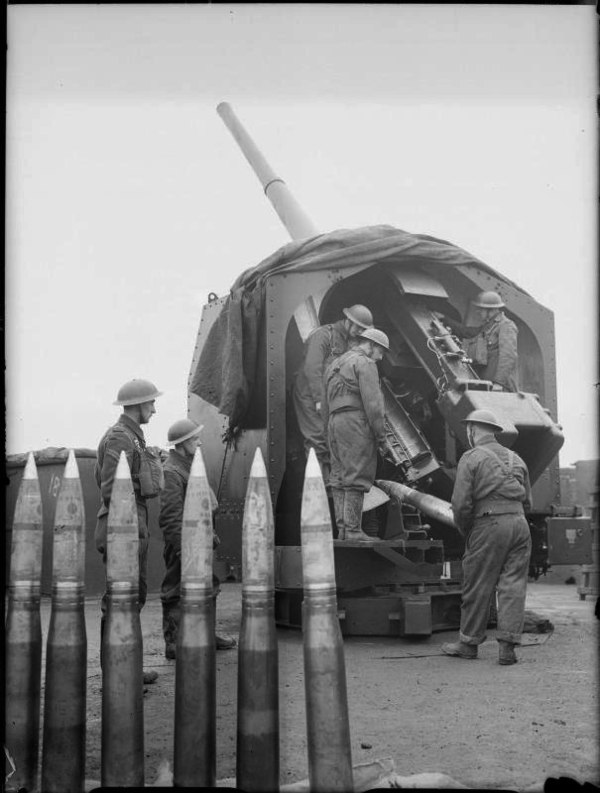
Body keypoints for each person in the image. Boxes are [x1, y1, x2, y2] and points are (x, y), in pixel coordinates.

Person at [441, 409, 532, 665]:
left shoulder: (471, 458)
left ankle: (468, 644)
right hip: (520, 524)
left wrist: (466, 529)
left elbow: (460, 505)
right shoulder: (516, 459)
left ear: (472, 430)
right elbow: (529, 500)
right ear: (494, 431)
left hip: (489, 524)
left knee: (478, 584)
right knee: (513, 586)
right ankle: (507, 648)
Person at [94, 378, 164, 683]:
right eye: (150, 402)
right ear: (137, 405)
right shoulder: (120, 438)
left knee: (134, 597)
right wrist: (127, 529)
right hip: (123, 527)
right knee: (120, 600)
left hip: (135, 523)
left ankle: (128, 668)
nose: (154, 408)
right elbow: (112, 489)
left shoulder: (135, 439)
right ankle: (117, 673)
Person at [160, 418, 236, 659]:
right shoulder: (172, 471)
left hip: (199, 543)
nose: (199, 442)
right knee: (174, 590)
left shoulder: (190, 465)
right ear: (182, 443)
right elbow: (170, 517)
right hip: (183, 545)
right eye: (194, 439)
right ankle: (173, 642)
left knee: (209, 585)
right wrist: (184, 549)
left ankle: (206, 634)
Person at [292, 304, 374, 484]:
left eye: (363, 329)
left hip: (329, 398)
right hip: (310, 395)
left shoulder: (348, 342)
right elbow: (312, 369)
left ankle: (331, 485)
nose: (359, 331)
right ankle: (318, 490)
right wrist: (319, 401)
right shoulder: (323, 335)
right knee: (317, 440)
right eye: (358, 327)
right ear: (348, 321)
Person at [324, 327, 389, 542]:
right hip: (355, 423)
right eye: (381, 351)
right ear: (371, 345)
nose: (380, 357)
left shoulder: (334, 364)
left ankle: (343, 530)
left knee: (339, 476)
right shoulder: (365, 363)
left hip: (335, 423)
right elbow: (373, 404)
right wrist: (381, 437)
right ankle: (353, 530)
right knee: (357, 473)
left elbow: (324, 404)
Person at [440, 291, 519, 392]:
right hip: (486, 384)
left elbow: (508, 356)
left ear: (490, 310)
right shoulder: (489, 326)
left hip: (499, 388)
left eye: (481, 310)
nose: (478, 312)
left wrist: (499, 383)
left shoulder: (506, 326)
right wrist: (445, 319)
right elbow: (467, 332)